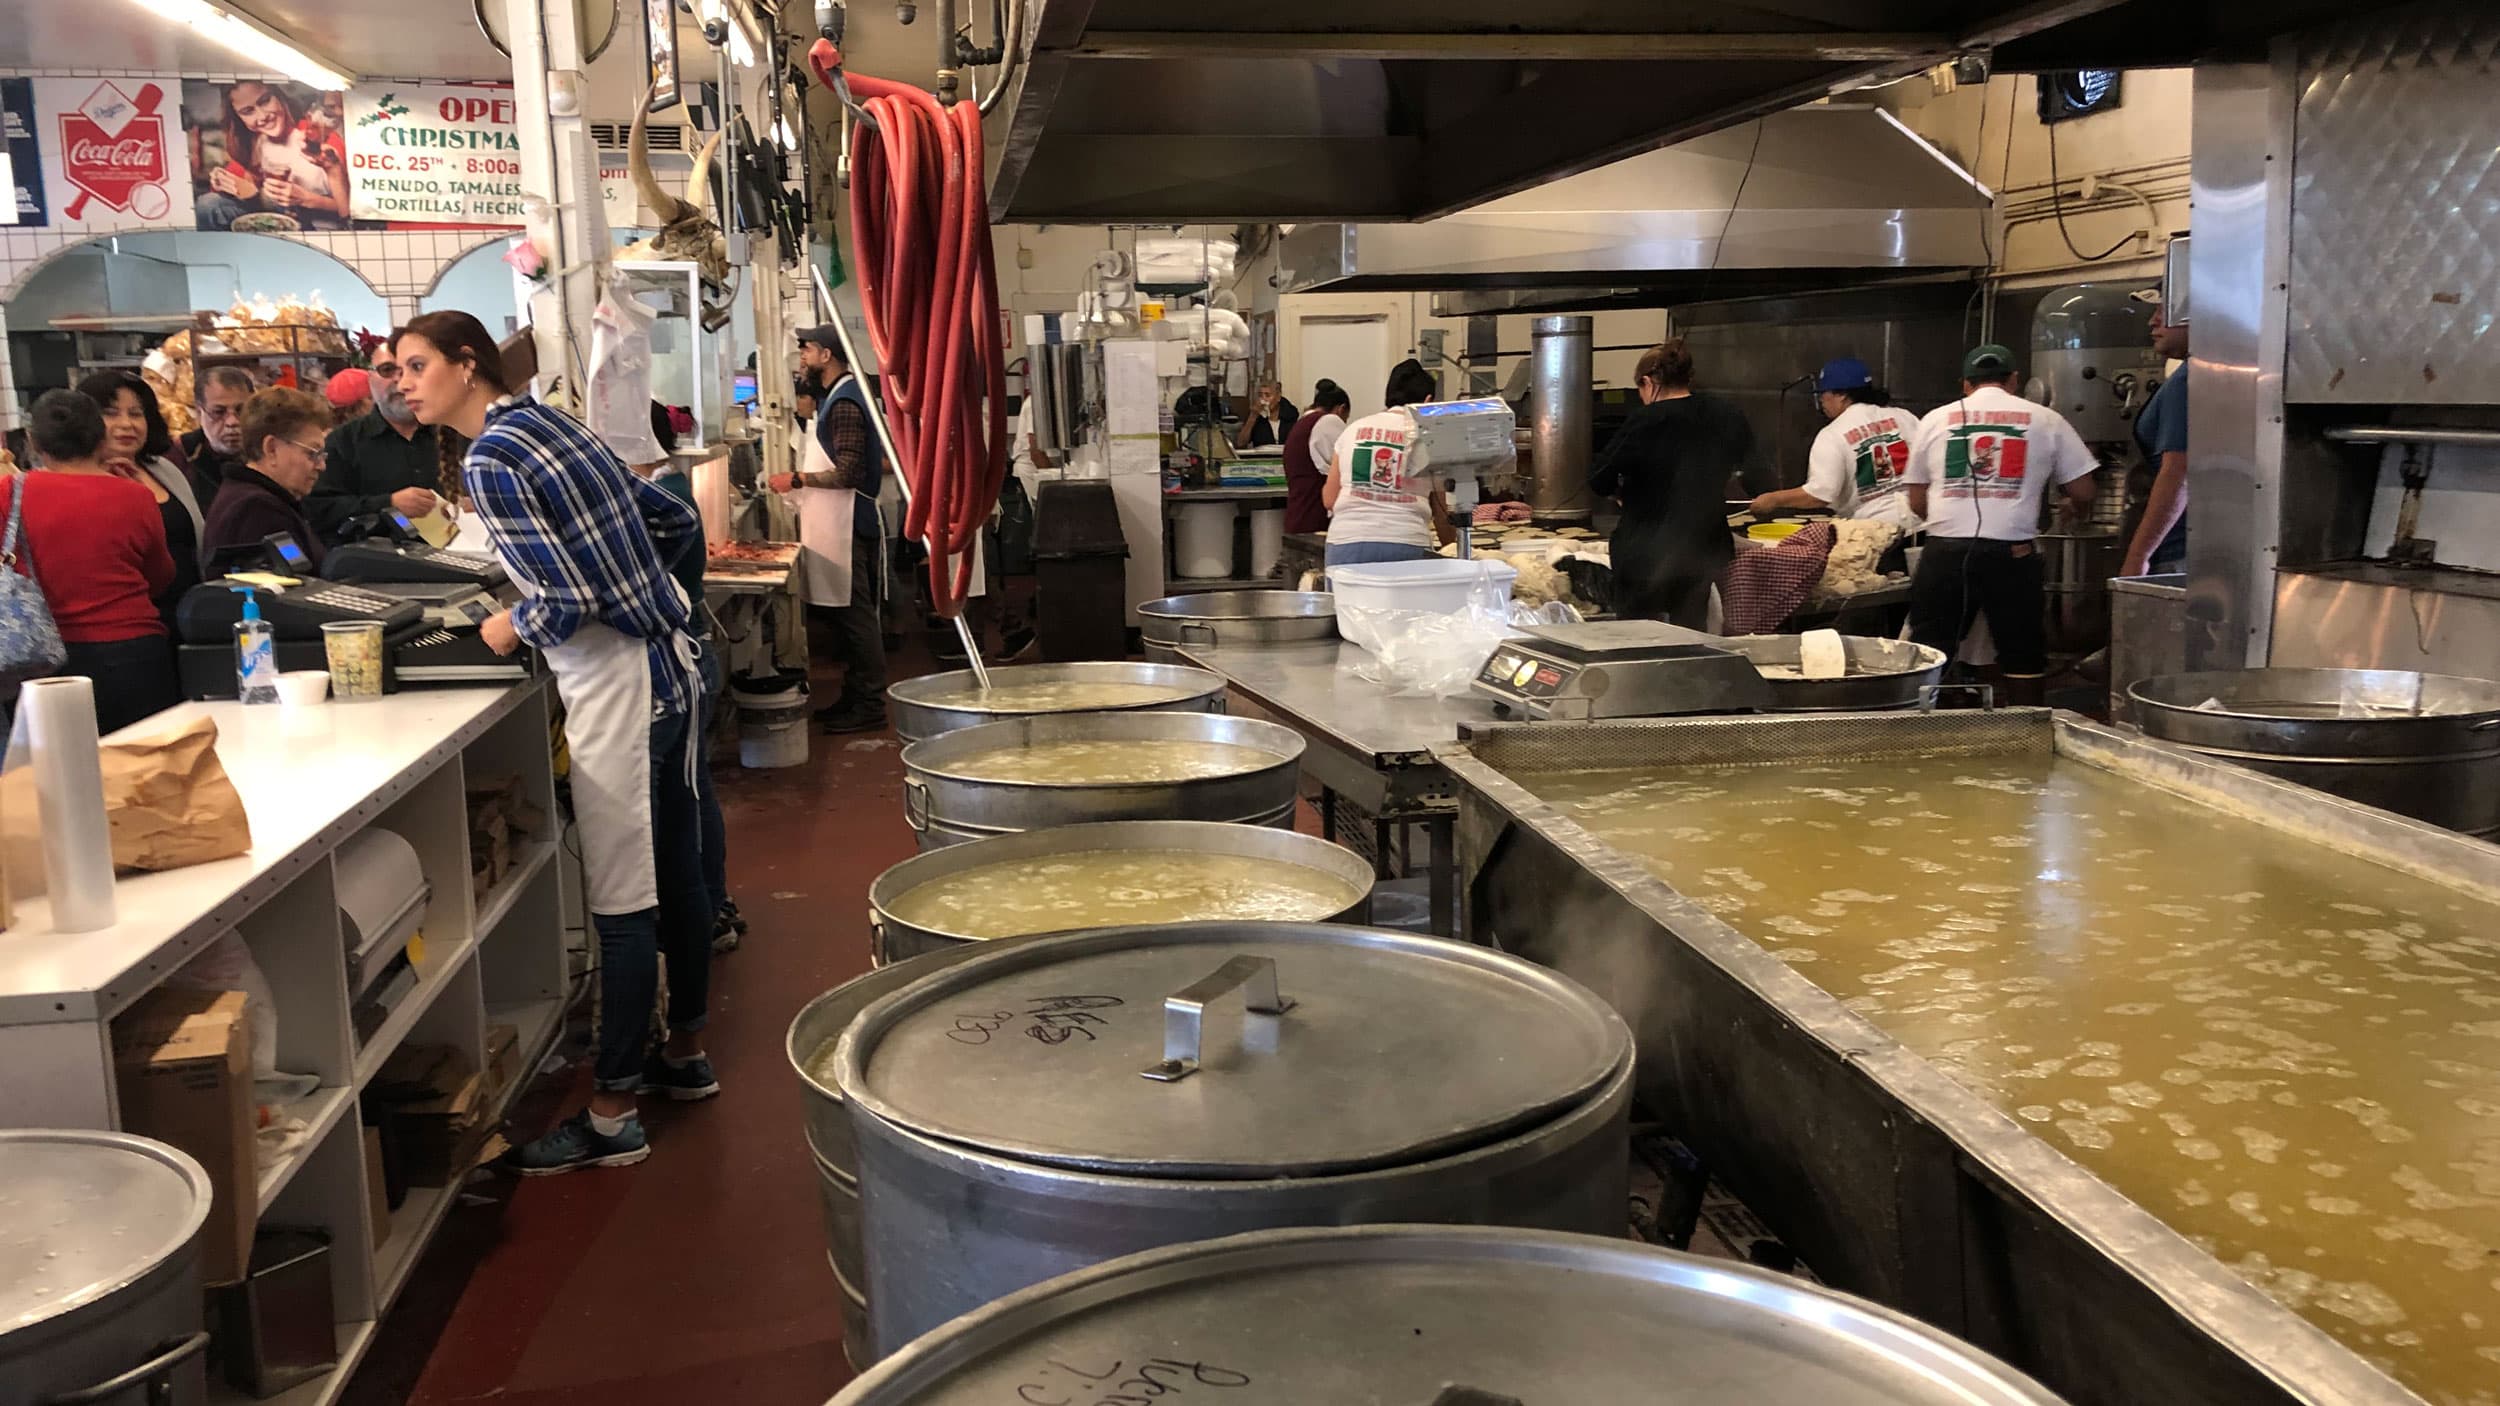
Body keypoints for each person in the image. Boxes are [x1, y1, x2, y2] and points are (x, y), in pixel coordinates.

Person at [392, 311, 714, 1174]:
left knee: (620, 899)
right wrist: (653, 597)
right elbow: (674, 520)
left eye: (418, 365)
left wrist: (509, 625)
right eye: (399, 370)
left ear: (468, 366)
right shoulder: (553, 422)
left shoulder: (492, 459)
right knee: (677, 872)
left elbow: (564, 602)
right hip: (670, 668)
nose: (405, 383)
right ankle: (684, 1055)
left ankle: (612, 1114)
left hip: (615, 687)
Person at [1904, 345, 2100, 707]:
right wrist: (2074, 506)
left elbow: (1917, 499)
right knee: (2022, 648)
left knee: (1930, 649)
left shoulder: (1934, 419)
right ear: (2013, 381)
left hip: (1945, 550)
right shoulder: (2046, 419)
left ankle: (1923, 728)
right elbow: (2084, 488)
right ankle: (2028, 732)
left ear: (1965, 385)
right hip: (2013, 551)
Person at [629, 403, 745, 954]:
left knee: (689, 793)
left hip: (684, 654)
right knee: (694, 788)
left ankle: (708, 908)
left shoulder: (664, 496)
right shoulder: (670, 486)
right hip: (690, 651)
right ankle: (711, 904)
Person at [8, 391, 179, 734]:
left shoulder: (10, 492)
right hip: (135, 654)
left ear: (32, 440)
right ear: (102, 438)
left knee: (58, 775)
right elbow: (161, 577)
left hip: (41, 659)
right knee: (142, 768)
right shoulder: (135, 494)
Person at [1588, 339, 1758, 628]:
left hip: (1646, 552)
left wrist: (1621, 493)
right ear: (1688, 377)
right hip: (1702, 548)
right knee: (1690, 635)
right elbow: (1750, 469)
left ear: (1647, 382)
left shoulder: (1645, 421)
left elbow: (1598, 479)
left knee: (1637, 637)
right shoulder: (1726, 413)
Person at [769, 326, 888, 734]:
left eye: (808, 348)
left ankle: (870, 703)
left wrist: (798, 479)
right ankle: (856, 696)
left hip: (850, 522)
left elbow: (851, 472)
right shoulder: (836, 395)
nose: (802, 354)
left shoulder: (846, 403)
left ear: (828, 354)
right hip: (840, 522)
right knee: (848, 617)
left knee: (857, 618)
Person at [76, 371, 205, 624]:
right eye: (111, 413)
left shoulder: (164, 469)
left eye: (136, 413)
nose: (127, 424)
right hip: (120, 624)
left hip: (189, 615)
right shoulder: (76, 481)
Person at [1748, 358, 1922, 528]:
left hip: (1874, 532)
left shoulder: (1832, 435)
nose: (1821, 401)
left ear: (1841, 395)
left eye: (1823, 394)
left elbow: (1821, 494)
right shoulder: (1904, 417)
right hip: (1921, 524)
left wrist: (1774, 499)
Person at [1322, 359, 1456, 568]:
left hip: (1346, 544)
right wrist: (1453, 551)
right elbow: (1442, 514)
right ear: (1428, 400)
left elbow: (1330, 499)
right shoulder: (1429, 438)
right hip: (1406, 542)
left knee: (1348, 602)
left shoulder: (1353, 430)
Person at [307, 344, 446, 543]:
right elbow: (320, 510)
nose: (401, 380)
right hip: (377, 565)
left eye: (414, 368)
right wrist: (388, 503)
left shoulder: (452, 434)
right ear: (370, 379)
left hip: (464, 557)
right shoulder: (343, 443)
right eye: (388, 370)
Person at [201, 388, 331, 574]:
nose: (321, 466)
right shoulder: (257, 510)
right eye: (312, 453)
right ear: (271, 448)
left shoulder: (250, 496)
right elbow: (294, 593)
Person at [197, 81, 352, 231]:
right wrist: (220, 180)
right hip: (275, 222)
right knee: (208, 204)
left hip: (317, 227)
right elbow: (231, 187)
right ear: (239, 118)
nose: (262, 116)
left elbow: (353, 210)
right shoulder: (252, 142)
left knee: (274, 201)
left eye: (265, 101)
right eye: (248, 111)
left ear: (279, 96)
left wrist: (306, 199)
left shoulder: (318, 135)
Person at [2121, 301, 2191, 577]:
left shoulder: (2186, 384)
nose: (2152, 321)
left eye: (2164, 310)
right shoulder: (2200, 375)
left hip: (2171, 555)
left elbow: (2178, 473)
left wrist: (2139, 556)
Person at [1282, 378, 1349, 536]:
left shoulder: (1302, 423)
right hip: (1315, 518)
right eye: (1346, 418)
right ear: (1341, 409)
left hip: (1298, 513)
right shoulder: (1328, 422)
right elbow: (1348, 464)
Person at [181, 367, 255, 502]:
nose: (232, 422)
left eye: (241, 410)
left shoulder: (273, 455)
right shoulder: (180, 456)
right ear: (198, 413)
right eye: (219, 412)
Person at [1233, 379, 1299, 450]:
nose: (1263, 399)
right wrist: (1253, 417)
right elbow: (1240, 443)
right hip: (1262, 456)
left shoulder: (1290, 414)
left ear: (1278, 397)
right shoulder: (1255, 415)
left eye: (1267, 395)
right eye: (1260, 395)